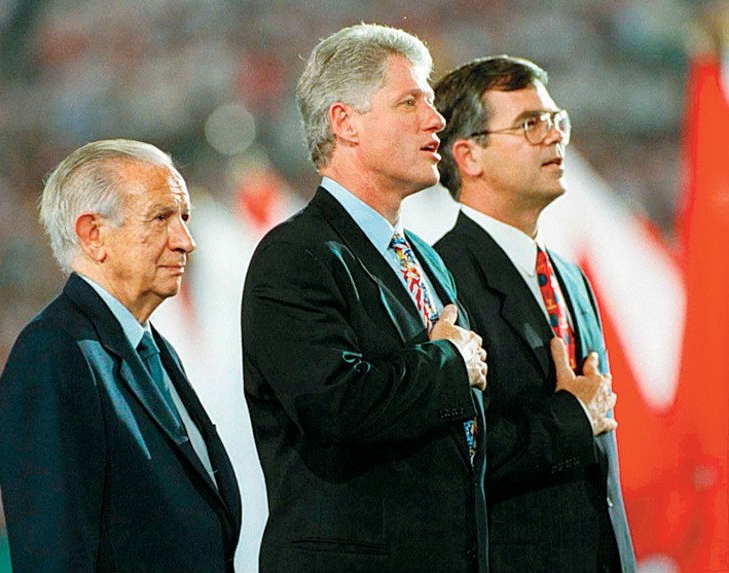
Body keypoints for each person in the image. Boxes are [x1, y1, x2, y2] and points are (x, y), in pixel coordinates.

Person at [242, 24, 489, 573]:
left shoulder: (427, 259)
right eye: (409, 101)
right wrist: (449, 362)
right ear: (344, 122)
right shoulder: (295, 257)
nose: (436, 119)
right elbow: (334, 404)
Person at [0, 139, 241, 573]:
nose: (186, 241)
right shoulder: (54, 355)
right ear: (93, 235)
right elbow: (54, 555)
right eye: (161, 217)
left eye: (184, 218)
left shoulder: (152, 349)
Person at [433, 56, 636, 573]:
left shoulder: (571, 277)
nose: (553, 137)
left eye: (555, 120)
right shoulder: (441, 279)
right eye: (529, 124)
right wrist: (570, 418)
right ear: (468, 155)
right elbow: (453, 457)